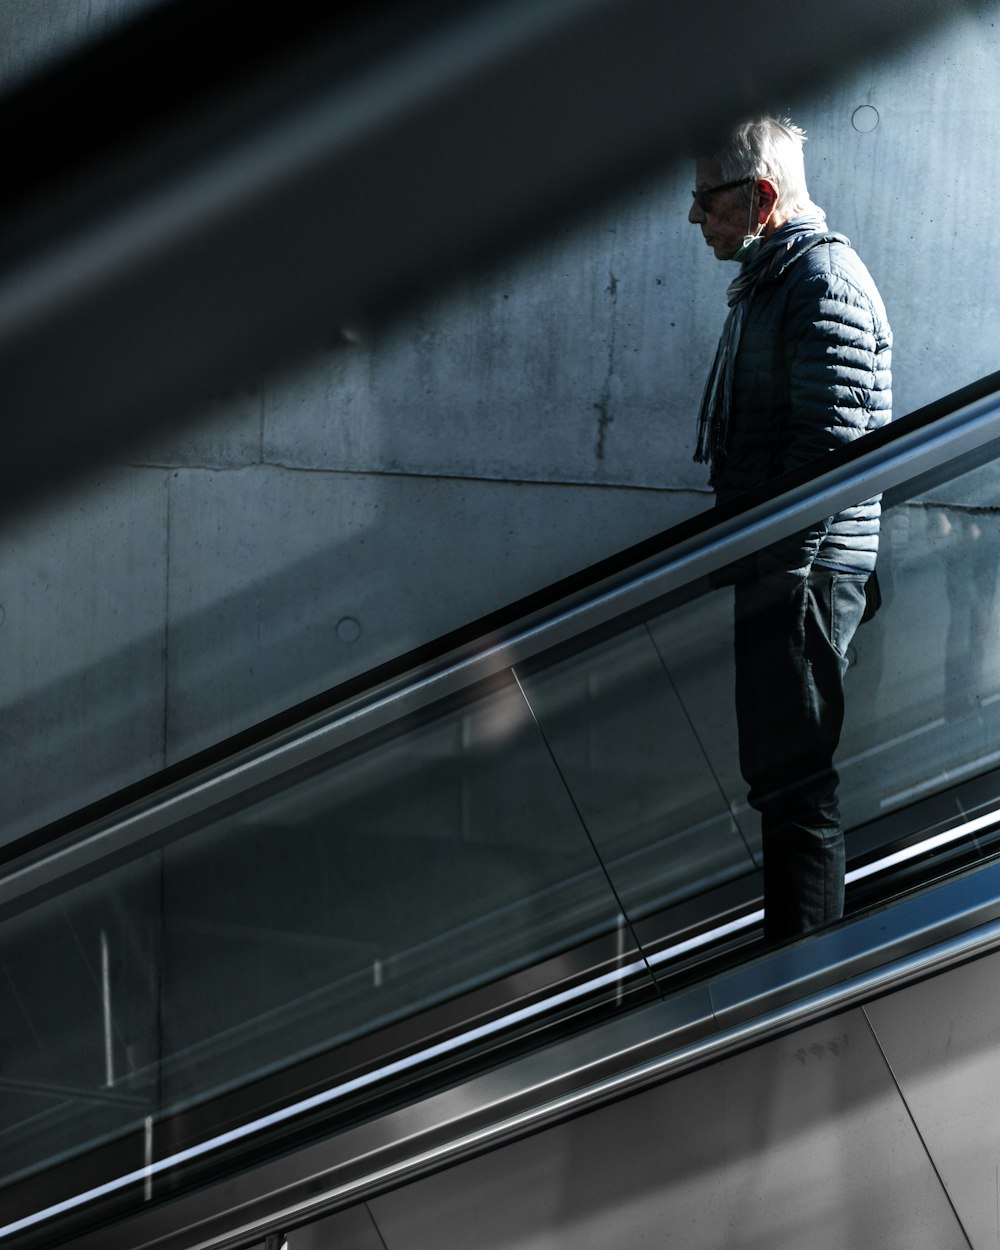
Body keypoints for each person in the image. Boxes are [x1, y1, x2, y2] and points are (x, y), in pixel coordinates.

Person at [688, 116, 892, 939]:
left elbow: (829, 456)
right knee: (780, 780)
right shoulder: (779, 278)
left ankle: (804, 984)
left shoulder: (820, 283)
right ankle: (795, 964)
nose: (697, 218)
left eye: (707, 201)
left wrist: (778, 575)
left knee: (797, 786)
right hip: (784, 569)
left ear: (761, 197)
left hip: (802, 577)